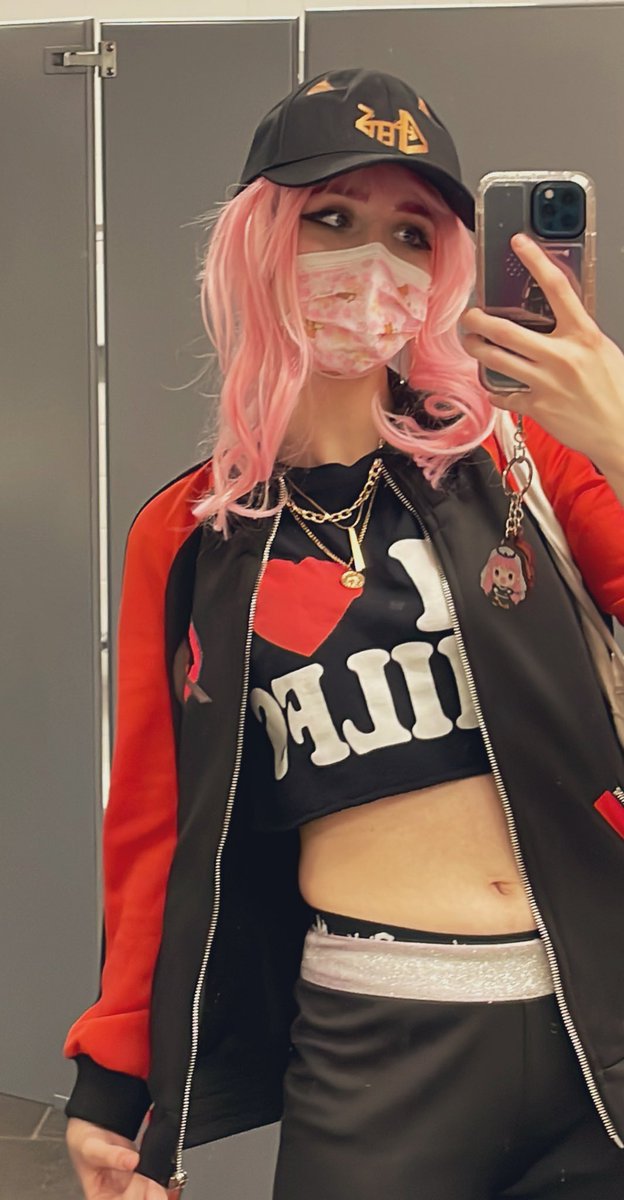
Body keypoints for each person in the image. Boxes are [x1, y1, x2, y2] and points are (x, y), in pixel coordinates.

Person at [63, 68, 624, 1200]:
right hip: (376, 1047)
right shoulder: (190, 535)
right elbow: (157, 824)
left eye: (412, 233)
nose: (372, 264)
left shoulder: (528, 464)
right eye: (331, 218)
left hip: (598, 1022)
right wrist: (115, 1081)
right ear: (260, 241)